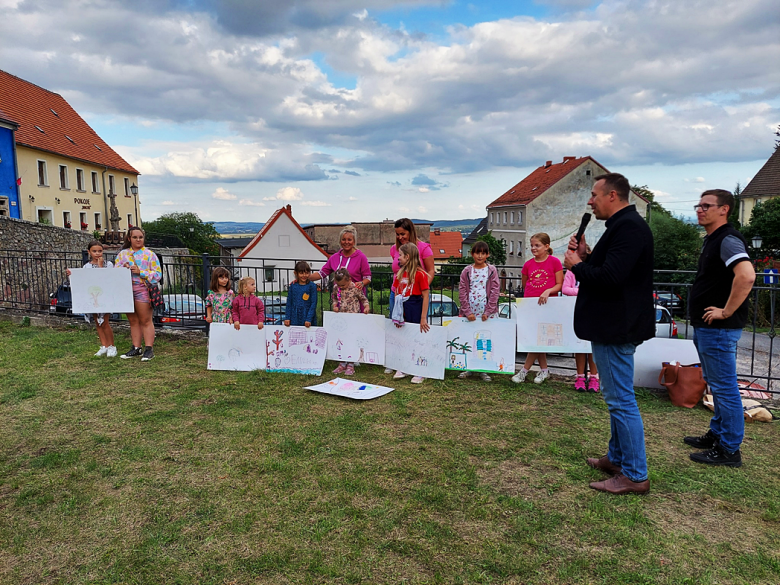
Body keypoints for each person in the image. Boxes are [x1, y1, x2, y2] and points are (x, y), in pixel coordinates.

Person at [564, 172, 655, 495]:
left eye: (594, 195)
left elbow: (610, 279)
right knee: (616, 398)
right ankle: (616, 458)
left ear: (612, 196)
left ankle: (634, 473)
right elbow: (609, 270)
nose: (590, 201)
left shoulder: (628, 228)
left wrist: (576, 265)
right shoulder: (621, 227)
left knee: (620, 401)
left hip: (616, 326)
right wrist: (587, 256)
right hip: (613, 324)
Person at [684, 189, 755, 467]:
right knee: (717, 385)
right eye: (698, 205)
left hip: (719, 328)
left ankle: (729, 449)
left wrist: (726, 311)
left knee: (725, 388)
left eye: (706, 205)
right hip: (709, 327)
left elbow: (747, 275)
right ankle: (718, 434)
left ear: (724, 209)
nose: (700, 210)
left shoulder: (727, 239)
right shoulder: (713, 239)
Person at [385, 218, 435, 374]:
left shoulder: (424, 248)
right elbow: (397, 270)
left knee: (415, 329)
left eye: (403, 234)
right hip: (398, 294)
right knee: (398, 325)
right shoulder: (395, 249)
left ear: (411, 231)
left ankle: (418, 363)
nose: (400, 237)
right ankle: (399, 360)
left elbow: (431, 270)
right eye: (397, 234)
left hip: (415, 296)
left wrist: (420, 288)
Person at [512, 233, 563, 384]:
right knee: (537, 338)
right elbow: (526, 283)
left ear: (547, 246)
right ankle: (545, 370)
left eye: (537, 245)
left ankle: (524, 370)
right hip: (530, 305)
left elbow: (560, 284)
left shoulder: (555, 262)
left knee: (539, 338)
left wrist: (548, 290)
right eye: (532, 245)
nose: (533, 248)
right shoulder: (528, 264)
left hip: (547, 305)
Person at [114, 227, 162, 361]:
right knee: (133, 320)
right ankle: (136, 347)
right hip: (126, 290)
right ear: (129, 239)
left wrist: (141, 272)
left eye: (140, 237)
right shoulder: (122, 255)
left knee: (145, 320)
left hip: (143, 289)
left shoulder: (150, 254)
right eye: (135, 237)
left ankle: (149, 349)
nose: (138, 239)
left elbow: (158, 275)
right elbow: (115, 272)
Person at [457, 241, 501, 382]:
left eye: (483, 253)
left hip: (486, 312)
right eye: (477, 253)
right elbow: (462, 290)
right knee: (469, 338)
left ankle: (484, 369)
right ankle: (468, 367)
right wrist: (466, 310)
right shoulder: (467, 271)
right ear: (472, 254)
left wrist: (488, 311)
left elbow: (495, 291)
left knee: (485, 340)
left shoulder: (492, 270)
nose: (480, 256)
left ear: (487, 255)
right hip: (470, 311)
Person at [67, 240, 117, 357]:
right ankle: (104, 345)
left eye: (100, 251)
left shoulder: (108, 264)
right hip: (93, 297)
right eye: (94, 251)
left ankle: (112, 346)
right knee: (97, 323)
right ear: (89, 252)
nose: (97, 253)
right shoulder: (87, 266)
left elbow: (108, 279)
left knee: (105, 322)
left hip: (105, 297)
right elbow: (84, 280)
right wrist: (71, 275)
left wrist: (100, 267)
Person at [391, 243, 431, 384]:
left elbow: (426, 295)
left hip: (415, 305)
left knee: (417, 338)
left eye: (400, 256)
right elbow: (396, 289)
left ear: (407, 257)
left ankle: (420, 370)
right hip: (403, 306)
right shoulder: (400, 273)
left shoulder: (420, 274)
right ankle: (405, 366)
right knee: (405, 337)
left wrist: (423, 317)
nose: (398, 259)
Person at [562, 256, 599, 392]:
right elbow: (565, 289)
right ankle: (580, 377)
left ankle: (594, 377)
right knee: (579, 345)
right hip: (577, 310)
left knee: (592, 347)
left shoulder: (594, 271)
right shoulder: (571, 272)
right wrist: (583, 293)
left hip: (594, 312)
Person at [332, 268, 370, 376]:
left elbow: (363, 299)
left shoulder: (355, 288)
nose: (342, 287)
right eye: (340, 286)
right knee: (342, 340)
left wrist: (366, 307)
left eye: (343, 285)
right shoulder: (336, 288)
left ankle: (351, 364)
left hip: (353, 319)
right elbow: (334, 298)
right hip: (342, 320)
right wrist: (334, 305)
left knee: (352, 340)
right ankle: (342, 363)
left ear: (349, 279)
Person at [310, 226, 371, 291]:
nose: (346, 242)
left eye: (349, 240)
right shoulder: (334, 258)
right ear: (340, 241)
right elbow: (322, 273)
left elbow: (368, 278)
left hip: (355, 298)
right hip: (338, 298)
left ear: (354, 242)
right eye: (343, 239)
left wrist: (362, 283)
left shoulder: (361, 257)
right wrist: (303, 278)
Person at [285, 261, 318, 328]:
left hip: (307, 316)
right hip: (294, 316)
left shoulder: (312, 286)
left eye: (306, 273)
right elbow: (289, 303)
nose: (304, 275)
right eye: (301, 273)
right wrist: (287, 317)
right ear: (296, 273)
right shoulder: (293, 286)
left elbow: (313, 303)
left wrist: (309, 319)